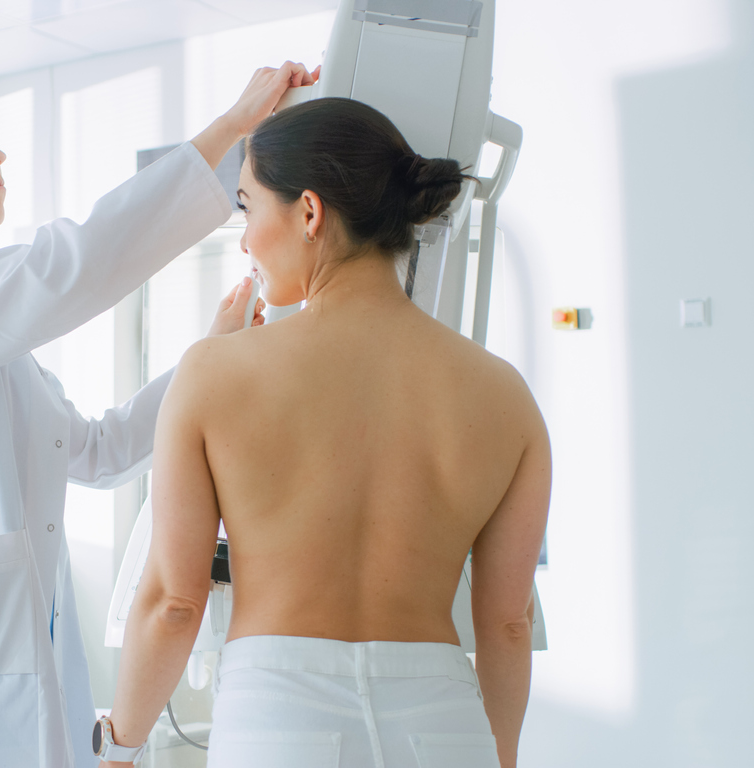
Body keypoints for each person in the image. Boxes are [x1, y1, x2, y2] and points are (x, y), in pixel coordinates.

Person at [0, 65, 312, 768]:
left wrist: (210, 356)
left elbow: (99, 451)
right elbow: (70, 263)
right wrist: (231, 127)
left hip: (3, 664)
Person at [101, 97, 551, 768]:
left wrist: (118, 749)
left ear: (308, 212)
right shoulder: (504, 393)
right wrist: (497, 756)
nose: (245, 240)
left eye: (248, 208)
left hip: (280, 721)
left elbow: (173, 602)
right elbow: (509, 625)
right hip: (444, 726)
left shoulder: (214, 372)